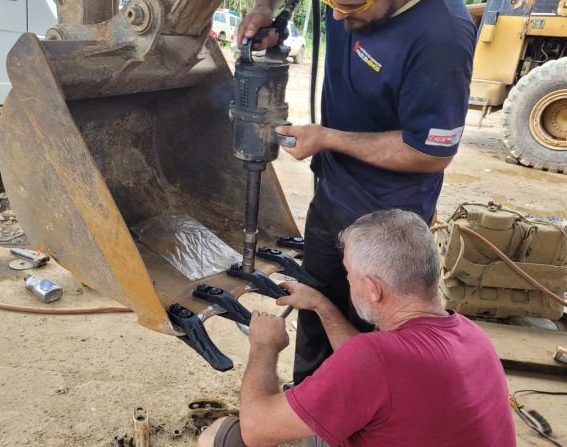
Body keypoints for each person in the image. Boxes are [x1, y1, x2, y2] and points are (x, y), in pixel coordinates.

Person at [236, 0, 477, 383]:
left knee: (374, 333)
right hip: (333, 192)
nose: (334, 16)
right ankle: (311, 404)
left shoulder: (441, 35)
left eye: (348, 5)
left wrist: (329, 138)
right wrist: (265, 8)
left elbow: (429, 152)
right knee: (317, 307)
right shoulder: (346, 6)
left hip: (388, 216)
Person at [197, 209, 515, 447]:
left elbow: (256, 429)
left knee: (218, 436)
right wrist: (322, 305)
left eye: (348, 273)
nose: (347, 280)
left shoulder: (376, 358)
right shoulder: (473, 336)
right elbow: (374, 370)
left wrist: (264, 347)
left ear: (374, 289)